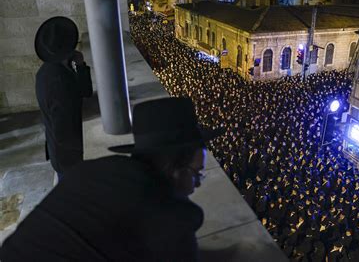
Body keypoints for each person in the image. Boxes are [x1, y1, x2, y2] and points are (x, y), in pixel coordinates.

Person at [0, 98, 222, 261]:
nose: (199, 183)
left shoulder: (91, 171)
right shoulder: (167, 211)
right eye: (197, 174)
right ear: (174, 168)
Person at [34, 16, 93, 180]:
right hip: (69, 160)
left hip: (63, 155)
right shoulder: (58, 81)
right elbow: (63, 134)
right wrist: (89, 152)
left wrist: (81, 66)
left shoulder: (50, 70)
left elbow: (85, 92)